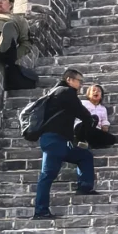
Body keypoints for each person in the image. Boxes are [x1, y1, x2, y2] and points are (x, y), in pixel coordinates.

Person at [33, 68, 98, 219]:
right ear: (69, 80)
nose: (81, 84)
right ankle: (40, 211)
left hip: (59, 141)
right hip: (54, 140)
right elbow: (81, 111)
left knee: (84, 156)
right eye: (79, 81)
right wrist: (91, 121)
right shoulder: (66, 92)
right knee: (47, 175)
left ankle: (85, 186)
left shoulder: (56, 92)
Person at [80, 82, 115, 149]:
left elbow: (104, 120)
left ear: (101, 95)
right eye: (93, 90)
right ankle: (83, 140)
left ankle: (90, 142)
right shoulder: (83, 103)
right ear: (88, 94)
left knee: (111, 139)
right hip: (82, 127)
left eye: (98, 91)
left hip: (95, 130)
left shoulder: (102, 108)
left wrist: (105, 125)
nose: (96, 92)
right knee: (94, 118)